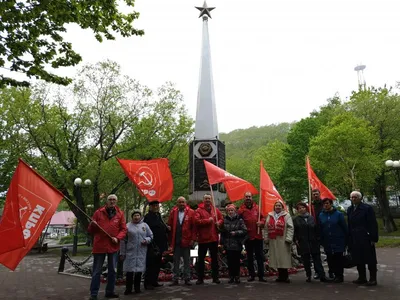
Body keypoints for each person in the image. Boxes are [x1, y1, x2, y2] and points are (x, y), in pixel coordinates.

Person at [88, 194, 127, 300]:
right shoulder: (98, 212)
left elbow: (123, 229)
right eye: (110, 199)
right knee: (97, 271)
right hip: (99, 245)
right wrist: (92, 225)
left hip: (113, 246)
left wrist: (118, 238)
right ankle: (93, 294)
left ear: (116, 201)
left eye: (114, 199)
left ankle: (110, 292)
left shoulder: (120, 214)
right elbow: (91, 231)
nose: (112, 201)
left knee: (112, 271)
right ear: (107, 201)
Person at [347, 191, 379, 286]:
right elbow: (349, 224)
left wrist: (373, 238)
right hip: (354, 237)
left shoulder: (367, 208)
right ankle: (362, 277)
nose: (353, 199)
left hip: (365, 237)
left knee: (370, 259)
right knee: (358, 258)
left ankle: (373, 278)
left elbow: (373, 223)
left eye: (355, 197)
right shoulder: (349, 209)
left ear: (360, 198)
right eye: (352, 197)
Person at [293, 202, 328, 282]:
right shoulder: (296, 219)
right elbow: (294, 231)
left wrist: (318, 239)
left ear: (306, 208)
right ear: (298, 210)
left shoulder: (312, 218)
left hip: (313, 242)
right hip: (303, 242)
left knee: (317, 259)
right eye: (299, 208)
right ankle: (308, 275)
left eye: (303, 207)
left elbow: (317, 229)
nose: (302, 209)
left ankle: (321, 275)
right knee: (306, 260)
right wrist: (296, 240)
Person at [120, 210, 153, 295]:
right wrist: (122, 253)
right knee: (129, 271)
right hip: (130, 251)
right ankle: (128, 289)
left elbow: (151, 236)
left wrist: (146, 240)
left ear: (140, 216)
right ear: (132, 217)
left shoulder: (145, 226)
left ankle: (137, 288)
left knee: (139, 271)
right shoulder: (127, 226)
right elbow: (123, 240)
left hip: (141, 251)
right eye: (135, 215)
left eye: (138, 215)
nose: (136, 217)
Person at [194, 193, 223, 285]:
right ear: (203, 200)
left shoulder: (215, 209)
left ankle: (215, 277)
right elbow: (197, 221)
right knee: (201, 259)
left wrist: (218, 222)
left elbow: (221, 218)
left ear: (211, 200)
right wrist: (208, 221)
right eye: (206, 199)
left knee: (214, 259)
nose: (207, 200)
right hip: (203, 239)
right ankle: (200, 278)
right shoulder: (198, 210)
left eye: (209, 199)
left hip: (213, 238)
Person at [238, 191, 266, 282]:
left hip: (258, 235)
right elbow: (238, 221)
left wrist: (261, 223)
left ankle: (261, 275)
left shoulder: (258, 208)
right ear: (244, 198)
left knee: (259, 256)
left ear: (252, 198)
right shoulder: (241, 210)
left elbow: (263, 218)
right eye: (246, 197)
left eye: (249, 197)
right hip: (248, 237)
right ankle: (251, 275)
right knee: (249, 257)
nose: (248, 198)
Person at [167, 196, 196, 286]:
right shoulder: (173, 212)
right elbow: (170, 225)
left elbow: (194, 227)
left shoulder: (191, 212)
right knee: (176, 261)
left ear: (186, 203)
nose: (181, 204)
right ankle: (175, 278)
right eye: (180, 202)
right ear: (177, 203)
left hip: (187, 241)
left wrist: (192, 239)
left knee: (187, 261)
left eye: (183, 202)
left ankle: (187, 278)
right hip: (176, 241)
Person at [264, 200, 294, 283]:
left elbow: (290, 227)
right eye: (276, 205)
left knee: (283, 258)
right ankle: (280, 276)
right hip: (273, 240)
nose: (278, 207)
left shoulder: (286, 215)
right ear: (274, 207)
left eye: (279, 205)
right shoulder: (270, 215)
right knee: (276, 258)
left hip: (283, 240)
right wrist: (266, 238)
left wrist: (289, 238)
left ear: (282, 207)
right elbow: (266, 228)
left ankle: (285, 276)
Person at [319, 198, 347, 283]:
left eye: (327, 203)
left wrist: (346, 240)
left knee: (338, 258)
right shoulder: (321, 215)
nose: (326, 205)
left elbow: (344, 227)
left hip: (338, 240)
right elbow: (321, 228)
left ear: (331, 204)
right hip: (327, 240)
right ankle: (333, 274)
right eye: (324, 204)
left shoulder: (338, 214)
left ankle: (339, 276)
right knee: (330, 259)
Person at [144, 200, 169, 289]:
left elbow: (162, 226)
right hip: (153, 244)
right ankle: (148, 282)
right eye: (154, 206)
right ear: (150, 207)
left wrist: (166, 228)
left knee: (157, 263)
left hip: (160, 243)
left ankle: (154, 281)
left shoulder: (159, 216)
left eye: (157, 205)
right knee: (151, 264)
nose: (156, 207)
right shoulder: (147, 217)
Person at [220, 204, 247, 284]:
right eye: (229, 210)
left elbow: (244, 230)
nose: (231, 212)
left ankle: (237, 276)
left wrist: (236, 233)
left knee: (236, 261)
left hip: (237, 244)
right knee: (230, 261)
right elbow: (222, 232)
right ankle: (231, 276)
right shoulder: (224, 220)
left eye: (232, 210)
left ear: (235, 211)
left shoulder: (240, 220)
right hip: (228, 244)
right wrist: (222, 242)